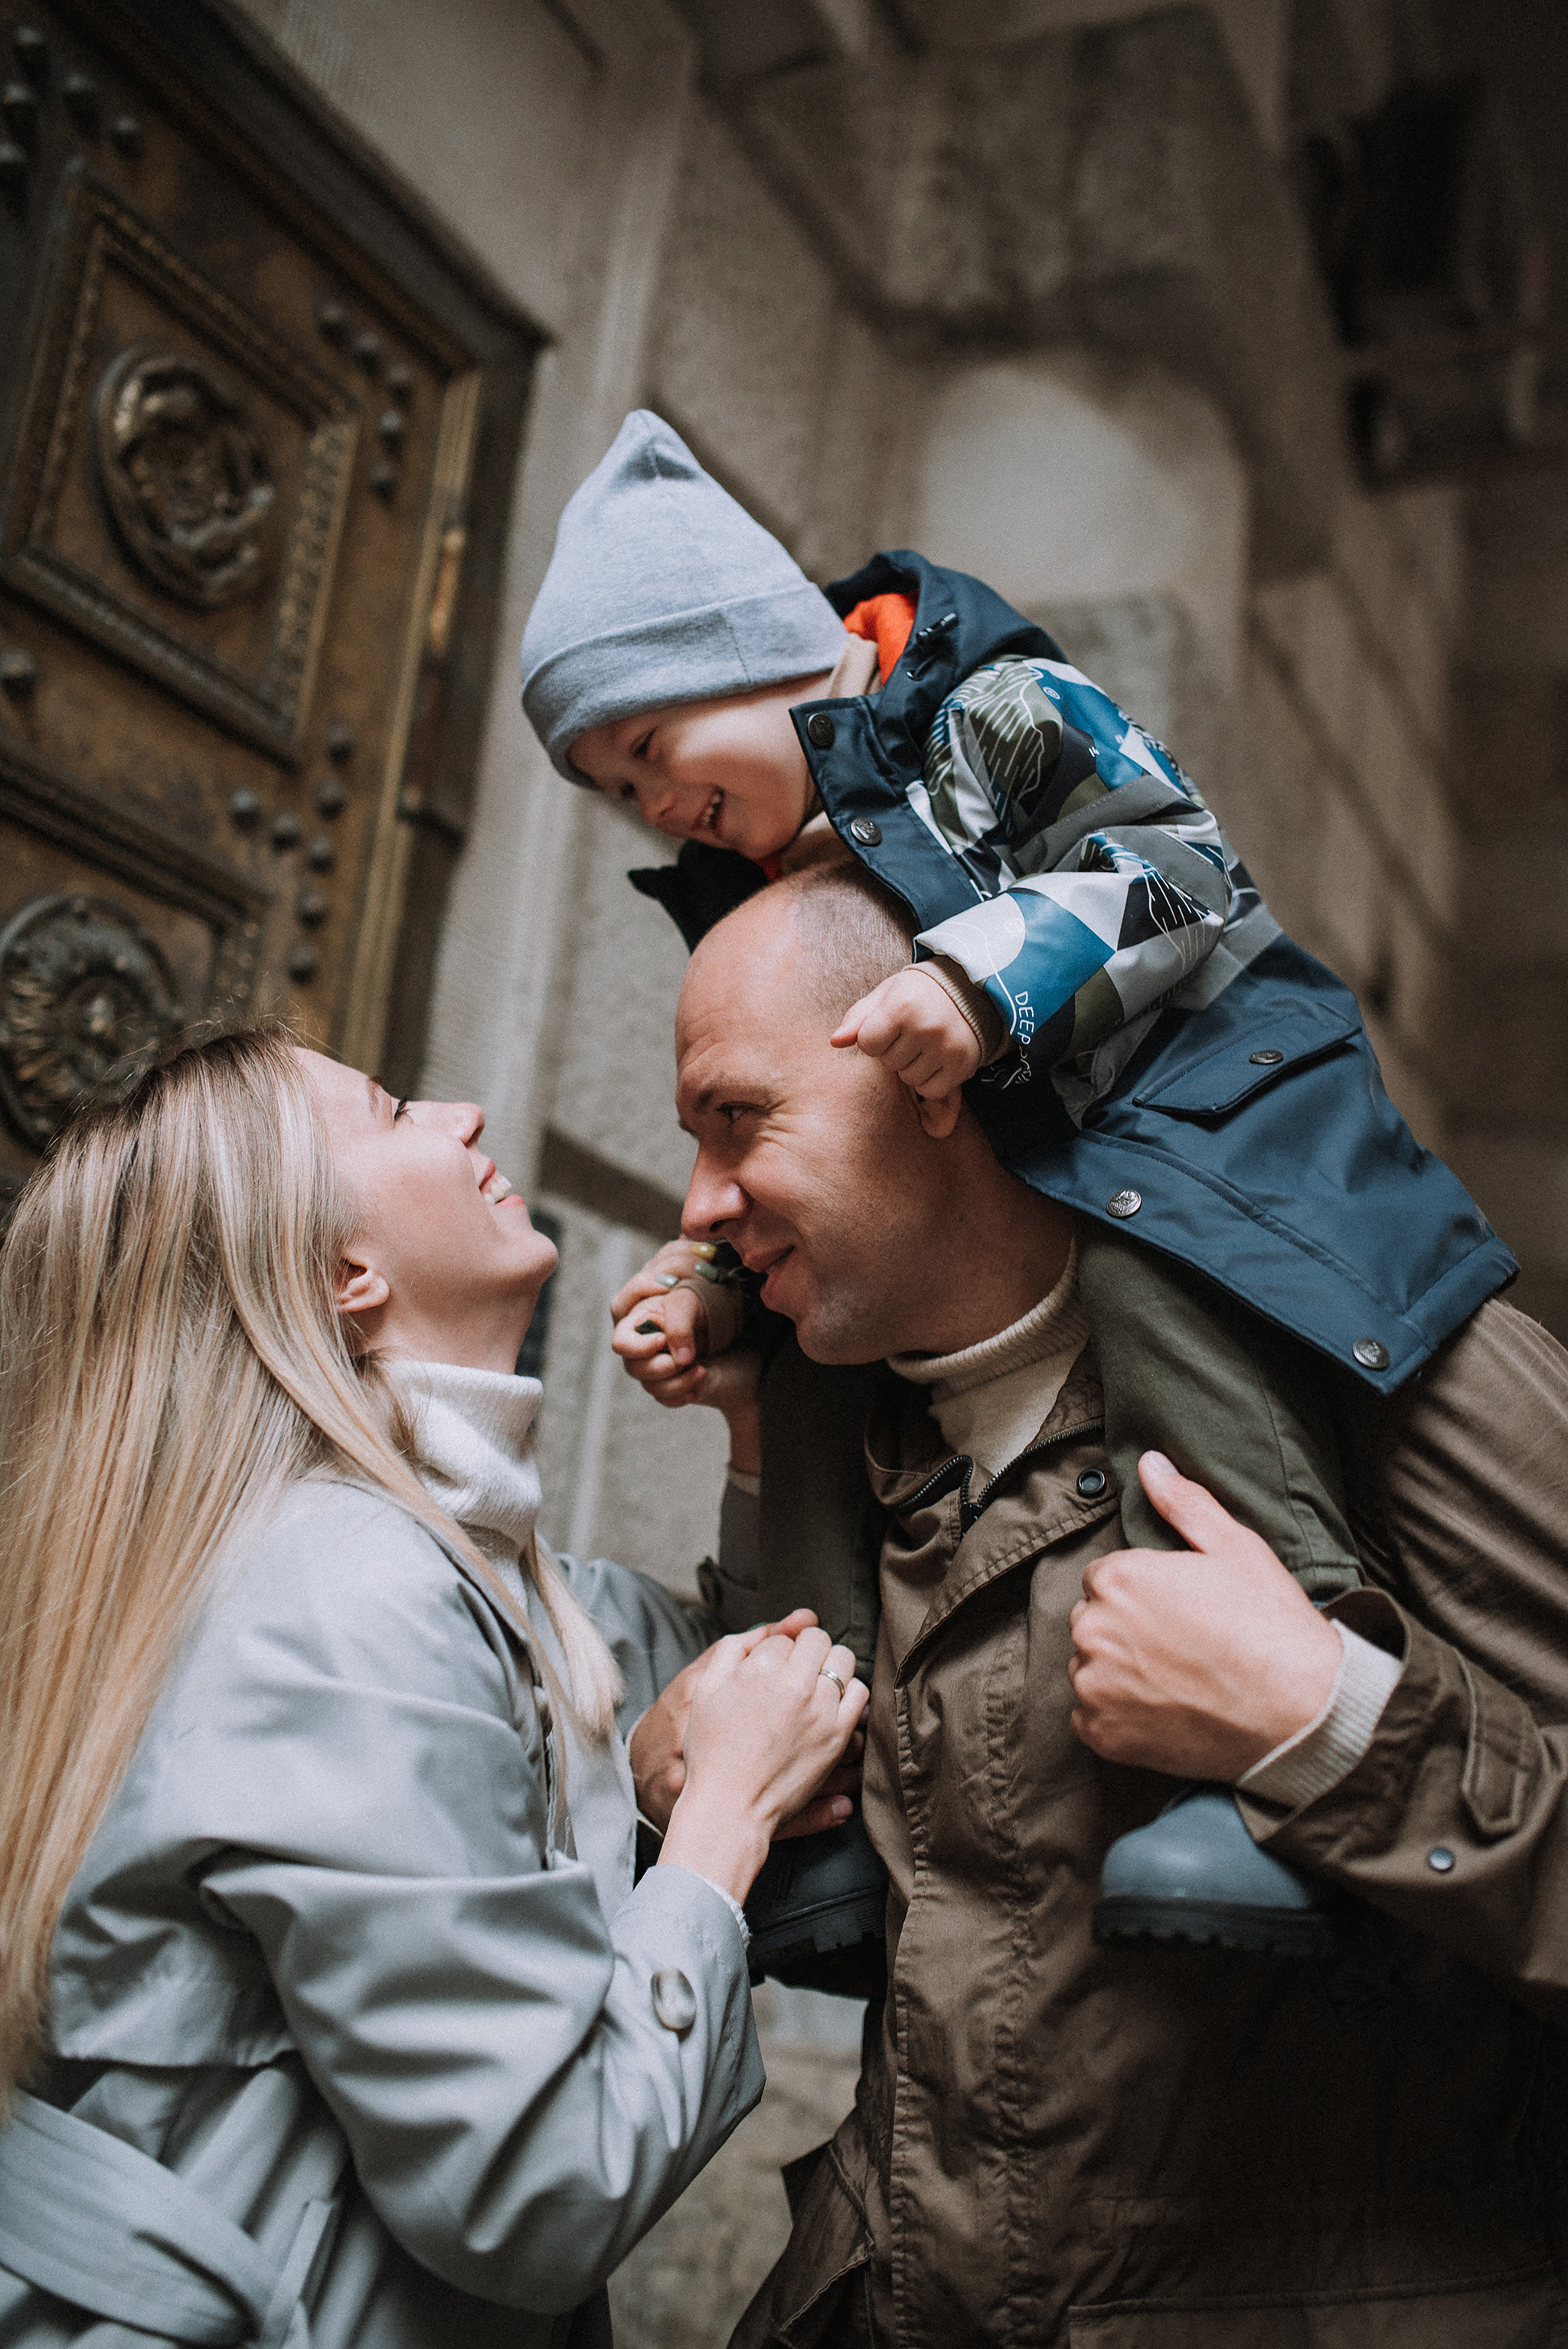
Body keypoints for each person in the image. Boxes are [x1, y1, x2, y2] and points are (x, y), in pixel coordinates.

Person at [518, 410, 1514, 1950]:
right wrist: (720, 1276)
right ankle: (818, 1785)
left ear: (752, 651)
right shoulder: (758, 868)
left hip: (1188, 1118)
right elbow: (788, 1124)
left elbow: (1178, 862)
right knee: (813, 1360)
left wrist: (987, 982)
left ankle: (1280, 1703)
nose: (651, 808)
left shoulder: (986, 707)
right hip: (1053, 1153)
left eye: (650, 750)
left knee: (1167, 1308)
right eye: (614, 789)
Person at [626, 863, 1568, 2347]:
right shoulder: (846, 1442)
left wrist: (1329, 1723)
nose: (699, 1204)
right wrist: (685, 1781)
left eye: (738, 1118)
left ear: (933, 1069)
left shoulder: (1388, 1370)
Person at [0, 1024, 867, 2349]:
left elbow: (763, 1678)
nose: (461, 1115)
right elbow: (542, 2189)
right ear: (346, 1275)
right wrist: (720, 1824)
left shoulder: (447, 1567)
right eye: (394, 1110)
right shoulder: (346, 1599)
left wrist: (755, 1416)